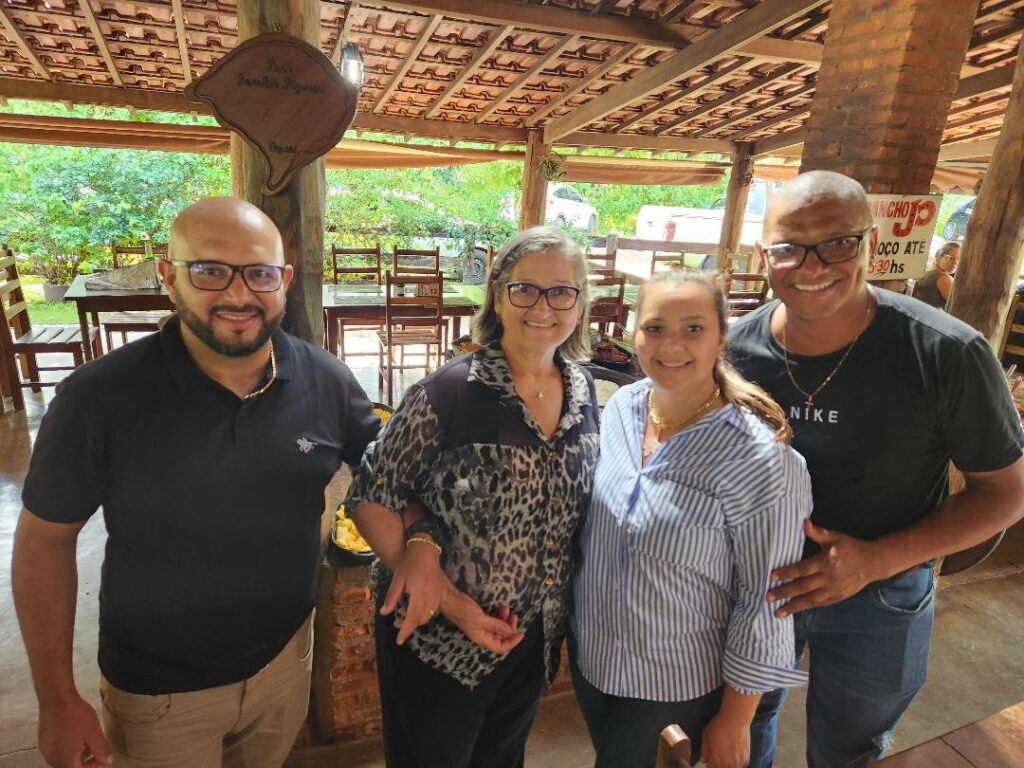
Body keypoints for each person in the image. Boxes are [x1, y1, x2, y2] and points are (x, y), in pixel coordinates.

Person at [12, 197, 381, 768]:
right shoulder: (99, 398)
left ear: (284, 281)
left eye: (259, 274)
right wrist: (57, 699)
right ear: (169, 276)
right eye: (210, 271)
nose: (238, 295)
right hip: (160, 693)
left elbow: (389, 469)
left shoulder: (325, 379)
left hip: (286, 662)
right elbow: (44, 544)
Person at [728, 171, 1024, 767]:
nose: (813, 265)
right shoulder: (736, 350)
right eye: (789, 247)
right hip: (757, 587)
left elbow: (1006, 492)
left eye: (838, 243)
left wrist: (875, 560)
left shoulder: (945, 351)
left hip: (883, 596)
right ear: (764, 256)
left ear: (872, 242)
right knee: (741, 732)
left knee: (851, 749)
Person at [344, 226, 600, 768]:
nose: (543, 306)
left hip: (532, 640)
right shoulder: (448, 393)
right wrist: (445, 592)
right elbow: (370, 493)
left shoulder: (584, 392)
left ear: (580, 304)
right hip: (437, 644)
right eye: (524, 289)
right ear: (498, 296)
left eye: (561, 291)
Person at [571, 269, 812, 768]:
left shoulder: (760, 458)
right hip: (593, 659)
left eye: (693, 329)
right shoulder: (621, 409)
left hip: (672, 685)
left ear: (722, 337)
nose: (671, 344)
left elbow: (767, 599)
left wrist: (737, 717)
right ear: (634, 333)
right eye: (655, 328)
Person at [913, 241, 959, 309]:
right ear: (939, 256)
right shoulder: (944, 278)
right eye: (951, 258)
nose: (955, 263)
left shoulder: (927, 274)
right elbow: (959, 307)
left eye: (958, 259)